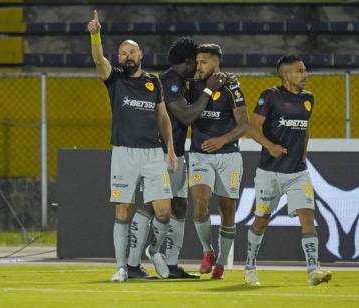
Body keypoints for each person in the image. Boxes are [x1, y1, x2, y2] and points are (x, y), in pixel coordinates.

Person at [87, 10, 178, 282]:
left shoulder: (153, 82)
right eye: (123, 53)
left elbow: (163, 117)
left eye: (132, 52)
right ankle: (121, 267)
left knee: (164, 210)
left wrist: (170, 149)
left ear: (141, 56)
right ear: (119, 59)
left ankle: (154, 250)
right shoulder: (114, 78)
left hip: (153, 153)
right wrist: (95, 35)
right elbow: (97, 59)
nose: (127, 56)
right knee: (123, 209)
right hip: (124, 152)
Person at [126, 37, 228, 279]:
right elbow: (186, 116)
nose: (199, 66)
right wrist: (208, 89)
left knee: (180, 206)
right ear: (187, 62)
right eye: (197, 61)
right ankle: (131, 264)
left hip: (178, 154)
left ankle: (171, 265)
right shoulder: (168, 82)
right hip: (160, 153)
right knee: (153, 206)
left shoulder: (184, 81)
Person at [244, 55, 332, 286]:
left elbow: (306, 128)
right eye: (299, 71)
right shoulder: (269, 96)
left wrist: (304, 151)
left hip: (297, 172)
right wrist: (270, 146)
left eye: (304, 70)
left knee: (307, 216)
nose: (305, 75)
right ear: (285, 75)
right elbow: (252, 127)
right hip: (269, 172)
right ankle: (250, 266)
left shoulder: (308, 99)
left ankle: (314, 271)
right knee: (261, 219)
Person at [188, 43, 249, 279]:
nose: (199, 66)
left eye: (204, 62)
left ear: (216, 62)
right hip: (200, 155)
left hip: (228, 156)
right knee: (200, 200)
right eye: (197, 61)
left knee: (227, 210)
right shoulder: (192, 86)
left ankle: (222, 263)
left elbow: (244, 124)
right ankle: (207, 251)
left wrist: (222, 139)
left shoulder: (232, 86)